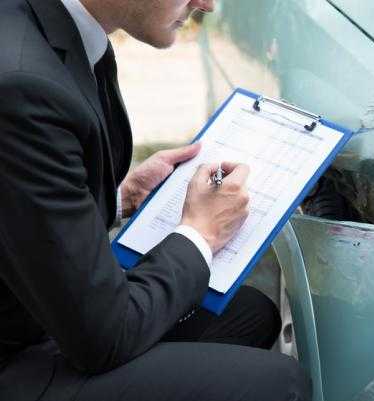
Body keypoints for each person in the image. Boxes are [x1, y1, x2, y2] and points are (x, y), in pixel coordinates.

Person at [0, 0, 311, 400]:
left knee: (248, 314)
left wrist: (119, 198)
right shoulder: (24, 84)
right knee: (279, 384)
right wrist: (200, 232)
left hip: (33, 312)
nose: (207, 5)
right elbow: (103, 338)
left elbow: (19, 207)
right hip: (17, 357)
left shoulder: (52, 28)